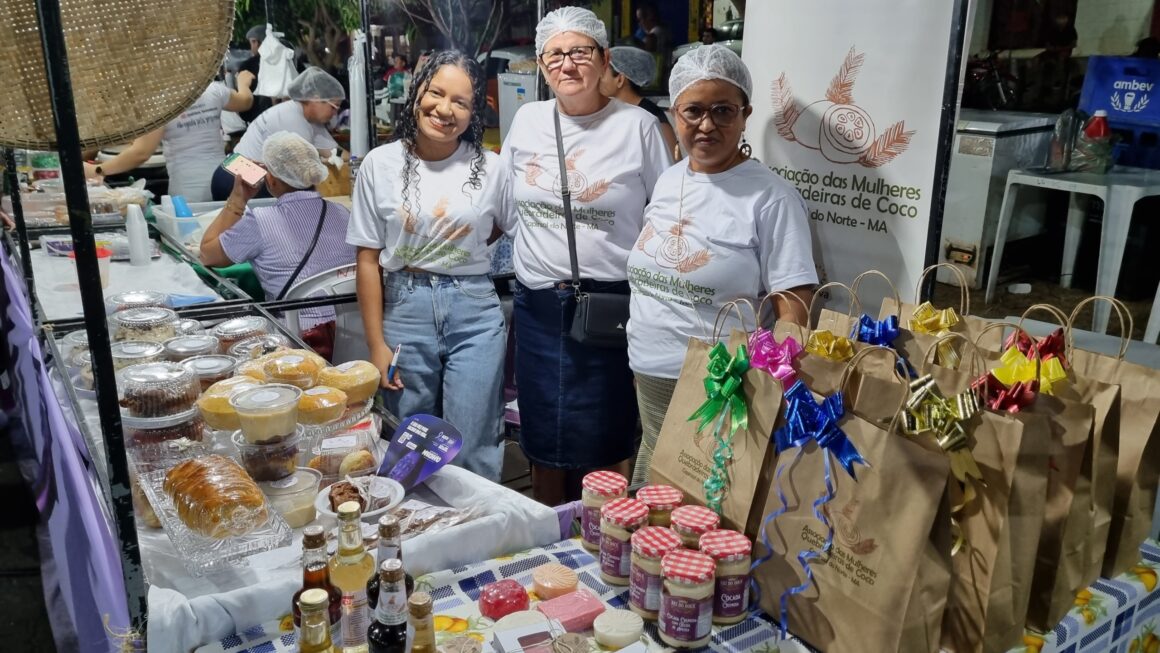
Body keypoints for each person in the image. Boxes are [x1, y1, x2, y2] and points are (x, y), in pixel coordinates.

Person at [497, 7, 670, 505]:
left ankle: (603, 535)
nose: (567, 64)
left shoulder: (638, 127)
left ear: (604, 58)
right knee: (543, 431)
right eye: (555, 54)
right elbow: (506, 206)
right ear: (540, 62)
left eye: (580, 52)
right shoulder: (528, 120)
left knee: (607, 430)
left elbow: (661, 220)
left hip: (611, 306)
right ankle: (548, 535)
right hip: (539, 308)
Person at [626, 45, 817, 484]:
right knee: (656, 491)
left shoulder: (771, 198)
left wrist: (776, 384)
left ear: (745, 114)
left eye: (723, 111)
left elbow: (795, 307)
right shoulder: (670, 178)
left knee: (702, 501)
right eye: (693, 111)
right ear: (674, 113)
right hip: (649, 372)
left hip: (719, 385)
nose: (706, 125)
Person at [348, 50, 507, 482]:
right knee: (408, 440)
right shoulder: (379, 165)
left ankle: (478, 539)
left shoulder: (492, 168)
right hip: (405, 307)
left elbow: (500, 228)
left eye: (460, 101)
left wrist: (457, 247)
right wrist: (376, 342)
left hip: (474, 311)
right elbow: (367, 257)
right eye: (436, 93)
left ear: (474, 112)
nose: (444, 109)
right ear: (417, 92)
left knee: (473, 441)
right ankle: (412, 539)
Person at [199, 131, 355, 359]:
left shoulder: (260, 221)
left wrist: (237, 199)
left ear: (270, 179)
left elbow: (207, 255)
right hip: (352, 334)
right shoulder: (341, 213)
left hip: (297, 342)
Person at [83, 76, 255, 202]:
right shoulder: (212, 89)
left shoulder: (158, 102)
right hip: (224, 178)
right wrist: (243, 82)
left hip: (188, 188)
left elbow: (141, 153)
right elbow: (246, 101)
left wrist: (98, 170)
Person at [211, 67, 345, 200]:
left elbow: (335, 153)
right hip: (235, 176)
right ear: (315, 99)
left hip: (246, 172)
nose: (335, 113)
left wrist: (357, 162)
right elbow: (302, 172)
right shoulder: (292, 118)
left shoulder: (310, 119)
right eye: (333, 107)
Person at [599, 46, 678, 160]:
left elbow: (670, 166)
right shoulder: (611, 113)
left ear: (620, 80)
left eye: (602, 74)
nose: (597, 80)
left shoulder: (653, 120)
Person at [238, 25, 274, 125]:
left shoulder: (247, 66)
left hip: (257, 119)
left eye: (253, 42)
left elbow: (243, 97)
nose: (252, 46)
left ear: (258, 42)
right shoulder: (286, 59)